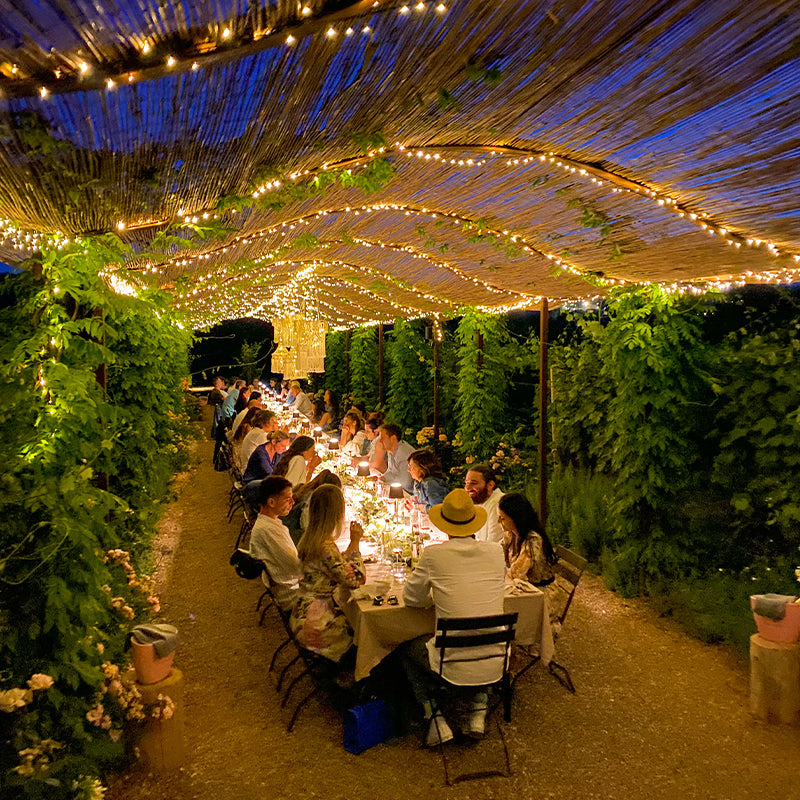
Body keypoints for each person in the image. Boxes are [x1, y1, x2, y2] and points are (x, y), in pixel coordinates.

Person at [403, 489, 506, 745]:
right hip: (496, 659)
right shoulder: (495, 552)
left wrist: (436, 596)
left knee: (404, 648)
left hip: (450, 663)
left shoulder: (434, 554)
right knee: (480, 636)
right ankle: (478, 711)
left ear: (444, 526)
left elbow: (412, 600)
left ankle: (434, 718)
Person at [290, 484, 366, 662]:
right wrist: (355, 543)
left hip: (301, 611)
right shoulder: (325, 545)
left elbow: (334, 566)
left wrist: (347, 552)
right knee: (369, 630)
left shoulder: (311, 537)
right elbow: (356, 580)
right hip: (317, 624)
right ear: (337, 514)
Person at [497, 493, 567, 624]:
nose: (498, 522)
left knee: (496, 608)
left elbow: (516, 573)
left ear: (516, 518)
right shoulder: (512, 533)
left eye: (502, 518)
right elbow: (496, 552)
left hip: (540, 596)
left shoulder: (533, 540)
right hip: (526, 589)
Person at [248, 476, 302, 612]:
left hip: (288, 585)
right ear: (271, 502)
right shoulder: (268, 531)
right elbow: (296, 568)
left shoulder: (270, 524)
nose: (293, 502)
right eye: (287, 499)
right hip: (290, 594)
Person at [243, 431, 291, 503]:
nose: (285, 449)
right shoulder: (260, 453)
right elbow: (270, 474)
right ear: (274, 442)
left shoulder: (278, 452)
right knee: (280, 490)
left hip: (265, 481)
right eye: (283, 446)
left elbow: (286, 459)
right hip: (251, 484)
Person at [464, 463, 504, 543]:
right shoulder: (480, 502)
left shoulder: (498, 503)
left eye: (473, 483)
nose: (467, 488)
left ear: (490, 485)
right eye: (466, 483)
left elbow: (493, 544)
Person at [378, 423, 415, 493]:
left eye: (383, 438)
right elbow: (391, 471)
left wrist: (386, 484)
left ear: (393, 438)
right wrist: (382, 478)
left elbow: (405, 483)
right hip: (399, 490)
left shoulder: (403, 453)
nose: (380, 441)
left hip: (408, 493)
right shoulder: (391, 451)